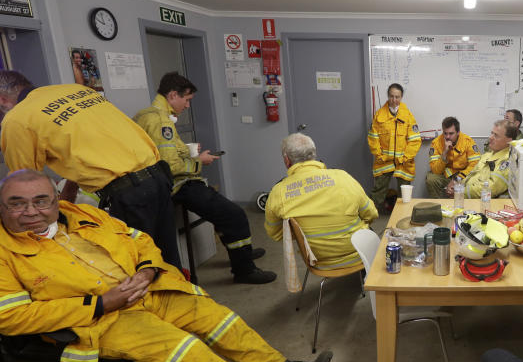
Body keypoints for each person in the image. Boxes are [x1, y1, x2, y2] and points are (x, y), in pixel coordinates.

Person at [0, 169, 333, 362]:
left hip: (146, 289)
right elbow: (8, 317)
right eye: (17, 203)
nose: (31, 211)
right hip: (97, 319)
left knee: (216, 317)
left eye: (41, 200)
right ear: (1, 206)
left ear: (55, 199)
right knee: (182, 348)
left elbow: (141, 241)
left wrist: (148, 271)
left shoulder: (82, 214)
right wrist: (102, 303)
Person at [0, 70, 182, 268]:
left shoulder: (17, 118)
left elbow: (24, 186)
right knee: (167, 263)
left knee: (139, 269)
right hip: (158, 178)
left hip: (131, 195)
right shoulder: (76, 90)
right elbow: (84, 153)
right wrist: (65, 201)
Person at [134, 73, 275, 284]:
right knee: (234, 214)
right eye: (187, 100)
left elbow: (164, 154)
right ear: (173, 95)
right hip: (177, 185)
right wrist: (200, 161)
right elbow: (170, 167)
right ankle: (244, 269)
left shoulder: (146, 115)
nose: (188, 106)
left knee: (224, 212)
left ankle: (241, 252)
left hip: (160, 184)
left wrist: (189, 153)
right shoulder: (161, 121)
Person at [264, 133, 377, 270]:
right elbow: (372, 214)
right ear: (314, 155)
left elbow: (276, 234)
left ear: (287, 160)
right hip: (359, 255)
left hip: (318, 262)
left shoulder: (278, 192)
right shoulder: (343, 177)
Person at [367, 83, 421, 210]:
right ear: (388, 96)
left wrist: (406, 157)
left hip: (403, 161)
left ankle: (403, 214)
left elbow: (415, 140)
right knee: (378, 191)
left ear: (401, 97)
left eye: (397, 97)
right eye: (391, 96)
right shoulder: (379, 115)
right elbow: (373, 138)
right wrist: (379, 155)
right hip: (384, 160)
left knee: (404, 194)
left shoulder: (408, 116)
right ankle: (369, 216)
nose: (394, 100)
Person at [425, 116, 480, 198]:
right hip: (446, 176)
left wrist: (457, 180)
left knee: (474, 180)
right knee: (431, 179)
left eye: (451, 133)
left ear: (458, 132)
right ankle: (440, 206)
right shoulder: (436, 143)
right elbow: (436, 171)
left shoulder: (468, 141)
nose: (447, 137)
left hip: (463, 176)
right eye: (445, 133)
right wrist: (444, 153)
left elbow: (475, 165)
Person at [463, 120, 517, 198]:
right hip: (467, 198)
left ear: (509, 141)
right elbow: (471, 174)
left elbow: (490, 189)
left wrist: (460, 192)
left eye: (496, 135)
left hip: (485, 204)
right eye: (492, 133)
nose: (490, 137)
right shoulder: (488, 155)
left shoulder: (508, 161)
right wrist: (458, 185)